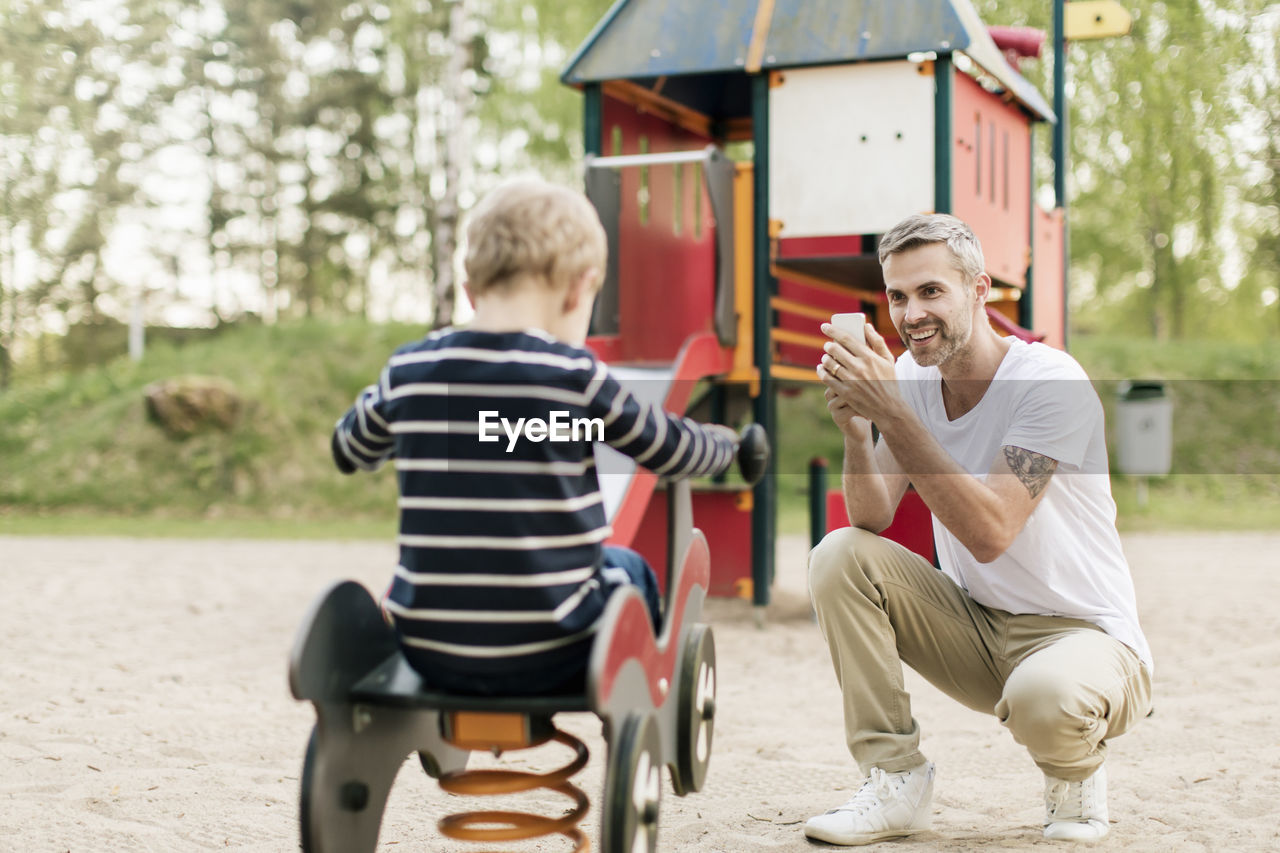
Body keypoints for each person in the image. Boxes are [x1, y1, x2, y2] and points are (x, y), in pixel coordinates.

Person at [805, 213, 1152, 845]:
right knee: (839, 555)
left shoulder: (1051, 383)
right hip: (979, 629)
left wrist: (893, 413)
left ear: (978, 289)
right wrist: (859, 432)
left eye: (931, 291)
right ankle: (895, 779)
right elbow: (873, 516)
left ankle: (1075, 776)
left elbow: (992, 530)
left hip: (1087, 641)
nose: (912, 315)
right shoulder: (911, 380)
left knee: (1045, 695)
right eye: (898, 297)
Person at [330, 178, 740, 696]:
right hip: (558, 650)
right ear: (577, 289)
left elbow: (349, 449)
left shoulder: (410, 368)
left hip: (430, 649)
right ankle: (646, 698)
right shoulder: (574, 375)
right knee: (629, 567)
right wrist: (728, 444)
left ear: (469, 290)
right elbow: (669, 448)